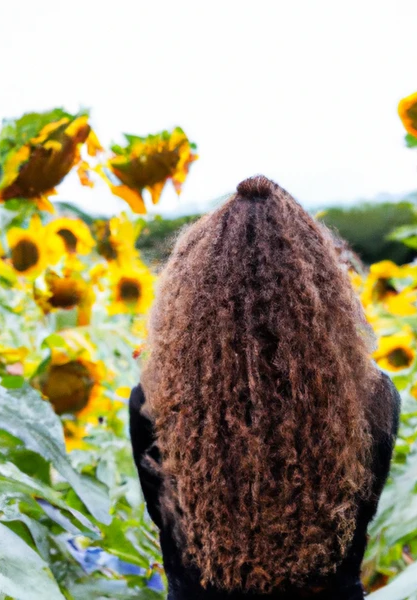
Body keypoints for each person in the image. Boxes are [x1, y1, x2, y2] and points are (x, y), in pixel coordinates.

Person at [129, 174, 401, 600]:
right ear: (321, 286)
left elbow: (164, 517)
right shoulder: (373, 397)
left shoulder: (155, 401)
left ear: (192, 293)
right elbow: (360, 514)